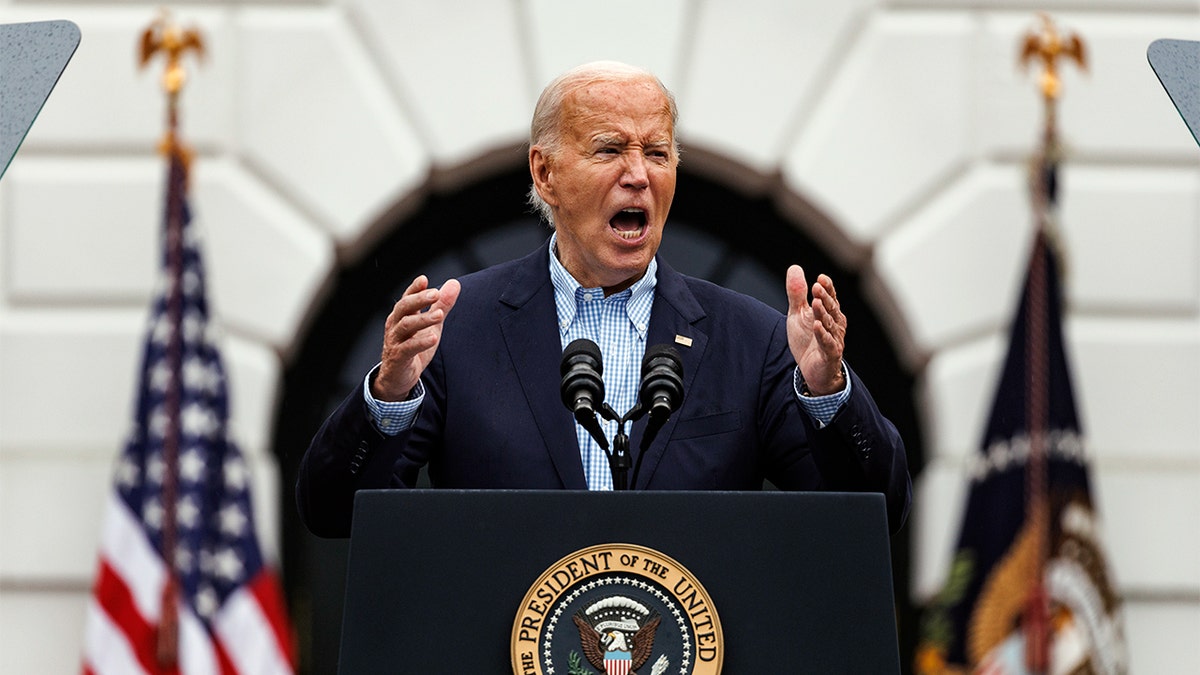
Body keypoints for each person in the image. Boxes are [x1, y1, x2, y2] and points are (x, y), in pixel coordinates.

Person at [296, 61, 910, 538]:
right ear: (545, 175)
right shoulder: (462, 330)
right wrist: (390, 396)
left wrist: (829, 394)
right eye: (611, 149)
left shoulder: (751, 338)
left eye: (658, 152)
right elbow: (331, 512)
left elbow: (875, 513)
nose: (638, 173)